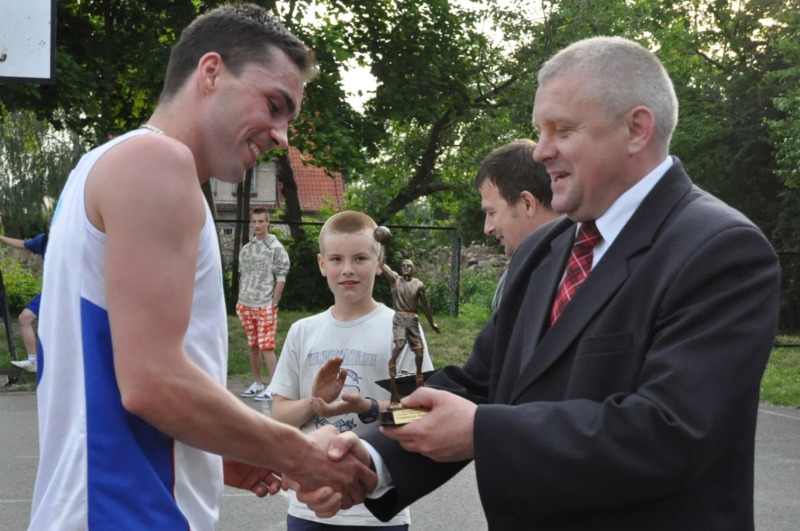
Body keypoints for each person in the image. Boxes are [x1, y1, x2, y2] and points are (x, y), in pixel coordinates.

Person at [301, 36, 781, 529]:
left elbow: (672, 431)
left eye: (562, 130)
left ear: (636, 129)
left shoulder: (720, 250)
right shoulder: (546, 249)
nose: (543, 151)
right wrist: (367, 451)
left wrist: (483, 432)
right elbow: (476, 388)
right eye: (540, 131)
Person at [31, 4, 374, 529]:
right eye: (274, 105)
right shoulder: (157, 164)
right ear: (211, 72)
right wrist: (299, 453)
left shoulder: (101, 164)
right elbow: (152, 382)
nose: (282, 136)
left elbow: (111, 374)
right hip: (126, 513)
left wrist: (212, 447)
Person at [270, 210, 433, 530]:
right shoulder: (303, 331)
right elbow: (280, 416)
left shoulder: (400, 328)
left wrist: (367, 407)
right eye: (336, 259)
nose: (347, 269)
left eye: (360, 258)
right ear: (321, 264)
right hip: (309, 509)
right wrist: (314, 402)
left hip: (380, 511)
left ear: (379, 261)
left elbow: (419, 413)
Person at [475, 139, 560, 311]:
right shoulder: (512, 278)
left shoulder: (576, 276)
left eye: (492, 213)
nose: (487, 228)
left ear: (527, 204)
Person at [237, 206, 289, 401]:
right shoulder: (246, 249)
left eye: (261, 221)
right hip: (246, 304)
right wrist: (241, 297)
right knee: (253, 345)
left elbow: (281, 277)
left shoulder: (276, 248)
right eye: (254, 221)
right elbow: (243, 275)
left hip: (265, 304)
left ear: (268, 222)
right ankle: (258, 383)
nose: (257, 225)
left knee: (266, 346)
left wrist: (274, 302)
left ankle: (274, 387)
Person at [380, 256, 440, 405]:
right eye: (404, 265)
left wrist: (431, 323)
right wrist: (381, 245)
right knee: (400, 345)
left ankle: (419, 381)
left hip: (412, 319)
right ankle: (393, 371)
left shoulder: (418, 284)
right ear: (401, 268)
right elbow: (381, 264)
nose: (406, 267)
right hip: (400, 318)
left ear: (413, 268)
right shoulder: (395, 280)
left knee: (419, 352)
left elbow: (425, 305)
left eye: (409, 265)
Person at [0, 214, 51, 373]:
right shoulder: (43, 240)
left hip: (72, 294)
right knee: (24, 318)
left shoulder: (74, 241)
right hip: (50, 293)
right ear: (48, 227)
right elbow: (22, 244)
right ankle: (33, 362)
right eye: (52, 225)